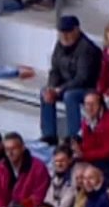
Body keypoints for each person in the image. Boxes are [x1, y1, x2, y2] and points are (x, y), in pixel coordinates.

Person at [40, 14, 102, 145]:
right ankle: (49, 135)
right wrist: (51, 88)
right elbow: (55, 69)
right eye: (61, 32)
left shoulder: (86, 48)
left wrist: (60, 90)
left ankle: (75, 137)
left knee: (70, 96)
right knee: (44, 92)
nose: (65, 36)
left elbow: (82, 78)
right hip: (65, 86)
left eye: (68, 32)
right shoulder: (59, 45)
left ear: (76, 30)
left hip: (87, 88)